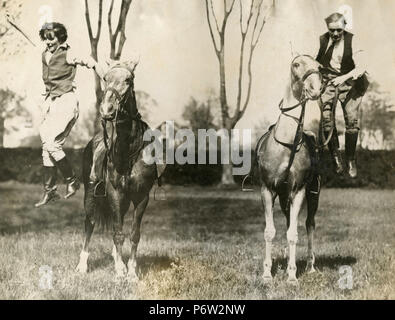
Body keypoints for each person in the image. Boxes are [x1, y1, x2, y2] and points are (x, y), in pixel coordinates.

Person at [35, 22, 103, 207]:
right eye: (46, 39)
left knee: (51, 144)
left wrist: (102, 72)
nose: (48, 42)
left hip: (66, 102)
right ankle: (50, 192)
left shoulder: (69, 53)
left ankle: (72, 180)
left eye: (52, 39)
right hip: (52, 103)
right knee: (46, 146)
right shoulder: (45, 54)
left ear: (60, 38)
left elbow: (89, 62)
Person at [316, 12, 369, 178]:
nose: (335, 34)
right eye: (332, 30)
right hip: (329, 81)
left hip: (349, 80)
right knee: (326, 121)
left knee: (351, 121)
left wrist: (343, 78)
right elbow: (313, 61)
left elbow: (360, 68)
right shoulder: (321, 40)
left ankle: (351, 159)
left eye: (339, 30)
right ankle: (335, 158)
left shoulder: (353, 40)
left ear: (344, 27)